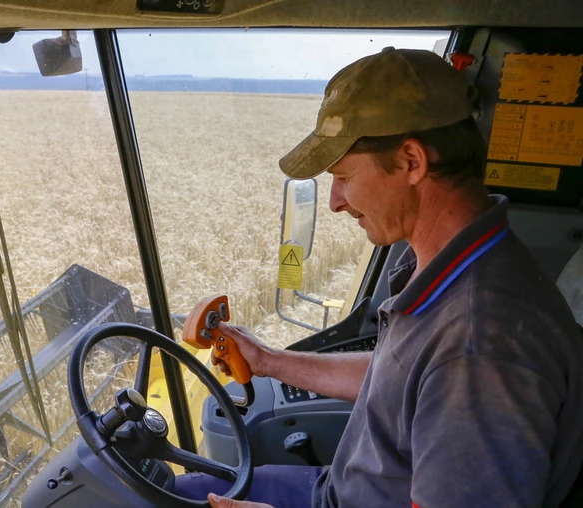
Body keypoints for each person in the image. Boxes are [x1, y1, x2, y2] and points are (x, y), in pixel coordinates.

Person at [174, 47, 583, 507]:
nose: (335, 201)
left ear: (411, 161)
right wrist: (270, 360)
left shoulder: (480, 344)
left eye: (344, 176)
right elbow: (403, 381)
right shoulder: (449, 268)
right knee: (176, 491)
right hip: (338, 490)